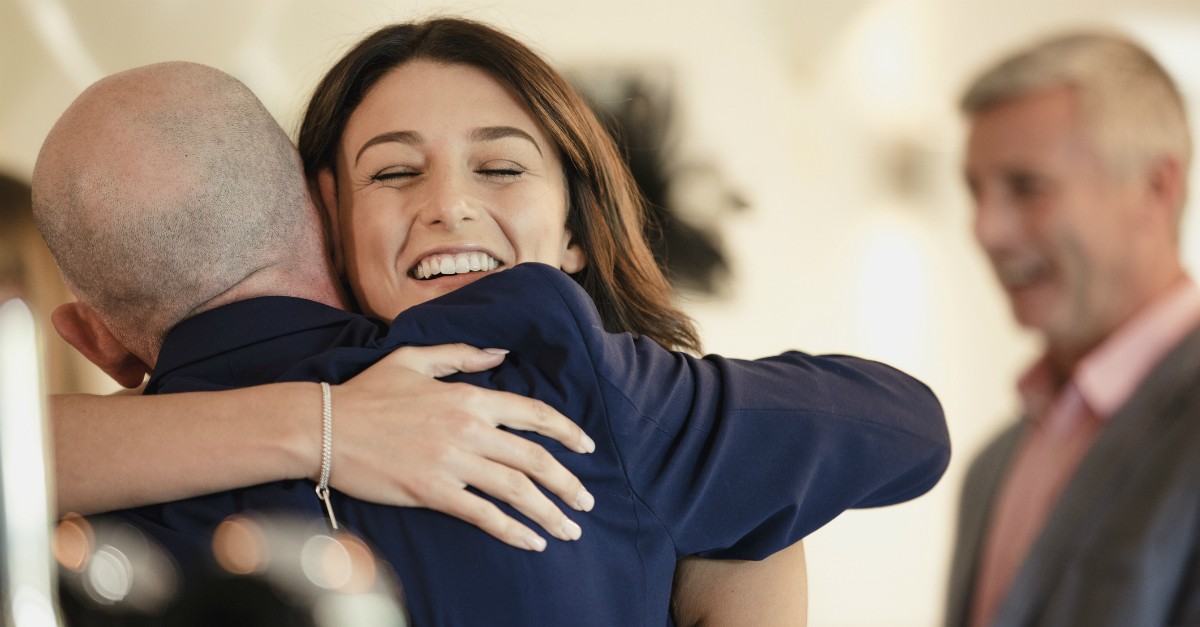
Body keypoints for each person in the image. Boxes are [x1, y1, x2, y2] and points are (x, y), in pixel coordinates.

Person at [34, 23, 948, 627]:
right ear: (326, 217)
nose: (451, 207)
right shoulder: (566, 366)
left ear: (578, 232)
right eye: (394, 173)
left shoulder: (620, 392)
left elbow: (904, 422)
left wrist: (753, 511)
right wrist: (325, 425)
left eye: (501, 169)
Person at [945, 31, 1200, 627]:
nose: (985, 230)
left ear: (1157, 187)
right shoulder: (992, 464)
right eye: (974, 190)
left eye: (1026, 187)